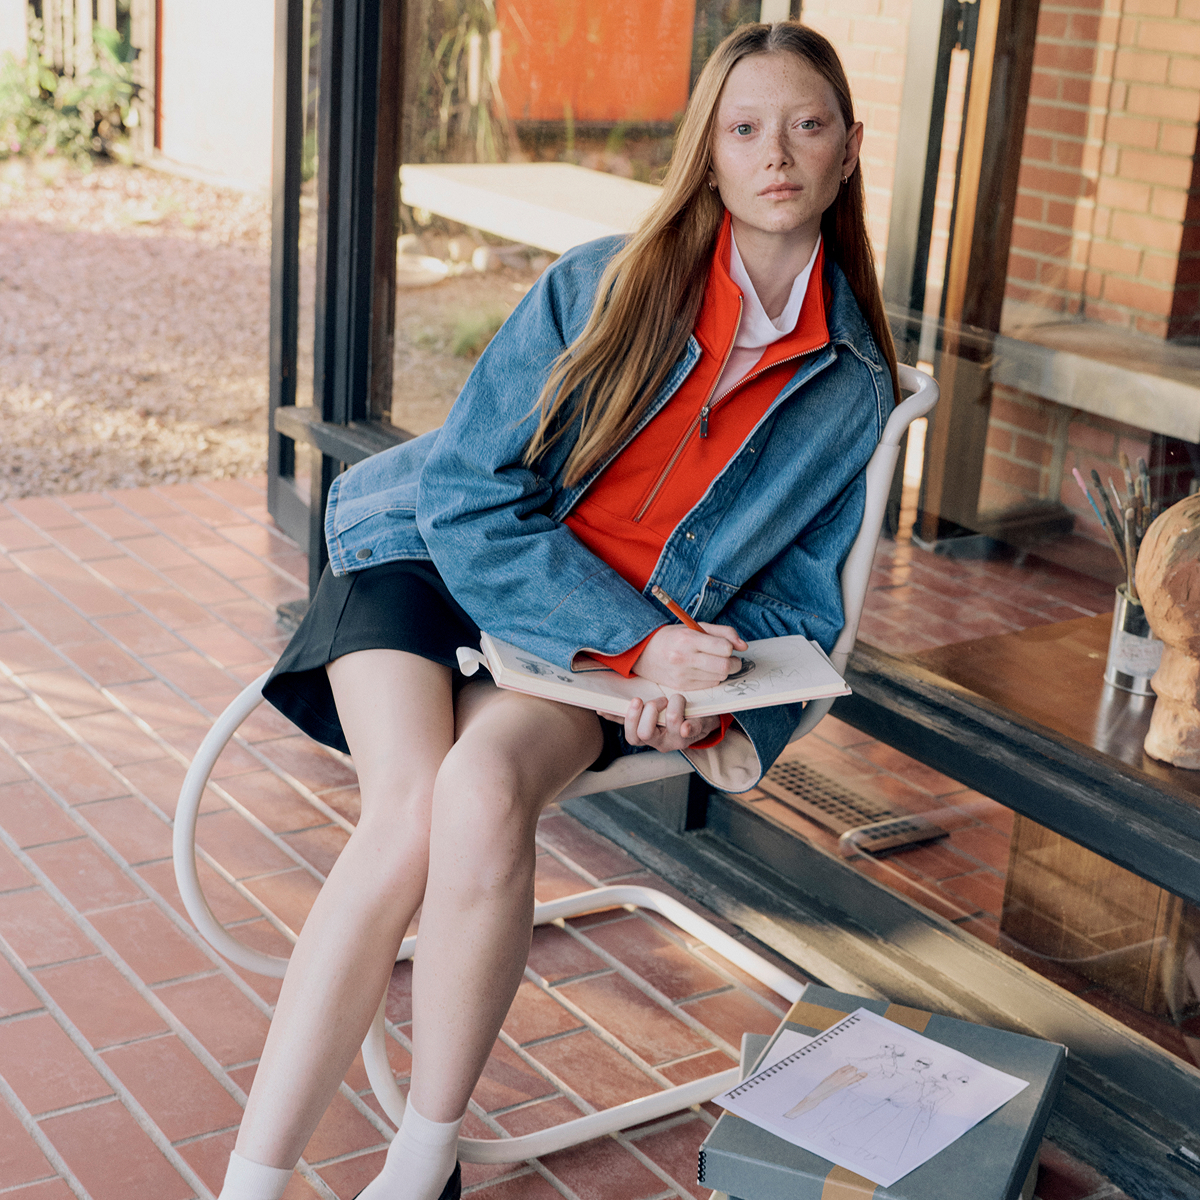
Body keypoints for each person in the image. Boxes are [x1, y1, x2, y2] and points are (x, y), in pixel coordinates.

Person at [218, 19, 898, 1200]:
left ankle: (420, 1165)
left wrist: (722, 708)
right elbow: (468, 490)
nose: (775, 152)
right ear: (710, 154)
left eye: (807, 125)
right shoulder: (604, 283)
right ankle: (253, 1182)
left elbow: (797, 595)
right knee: (408, 811)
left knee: (481, 793)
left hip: (608, 646)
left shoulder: (852, 383)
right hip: (431, 558)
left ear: (848, 152)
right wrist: (641, 645)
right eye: (745, 128)